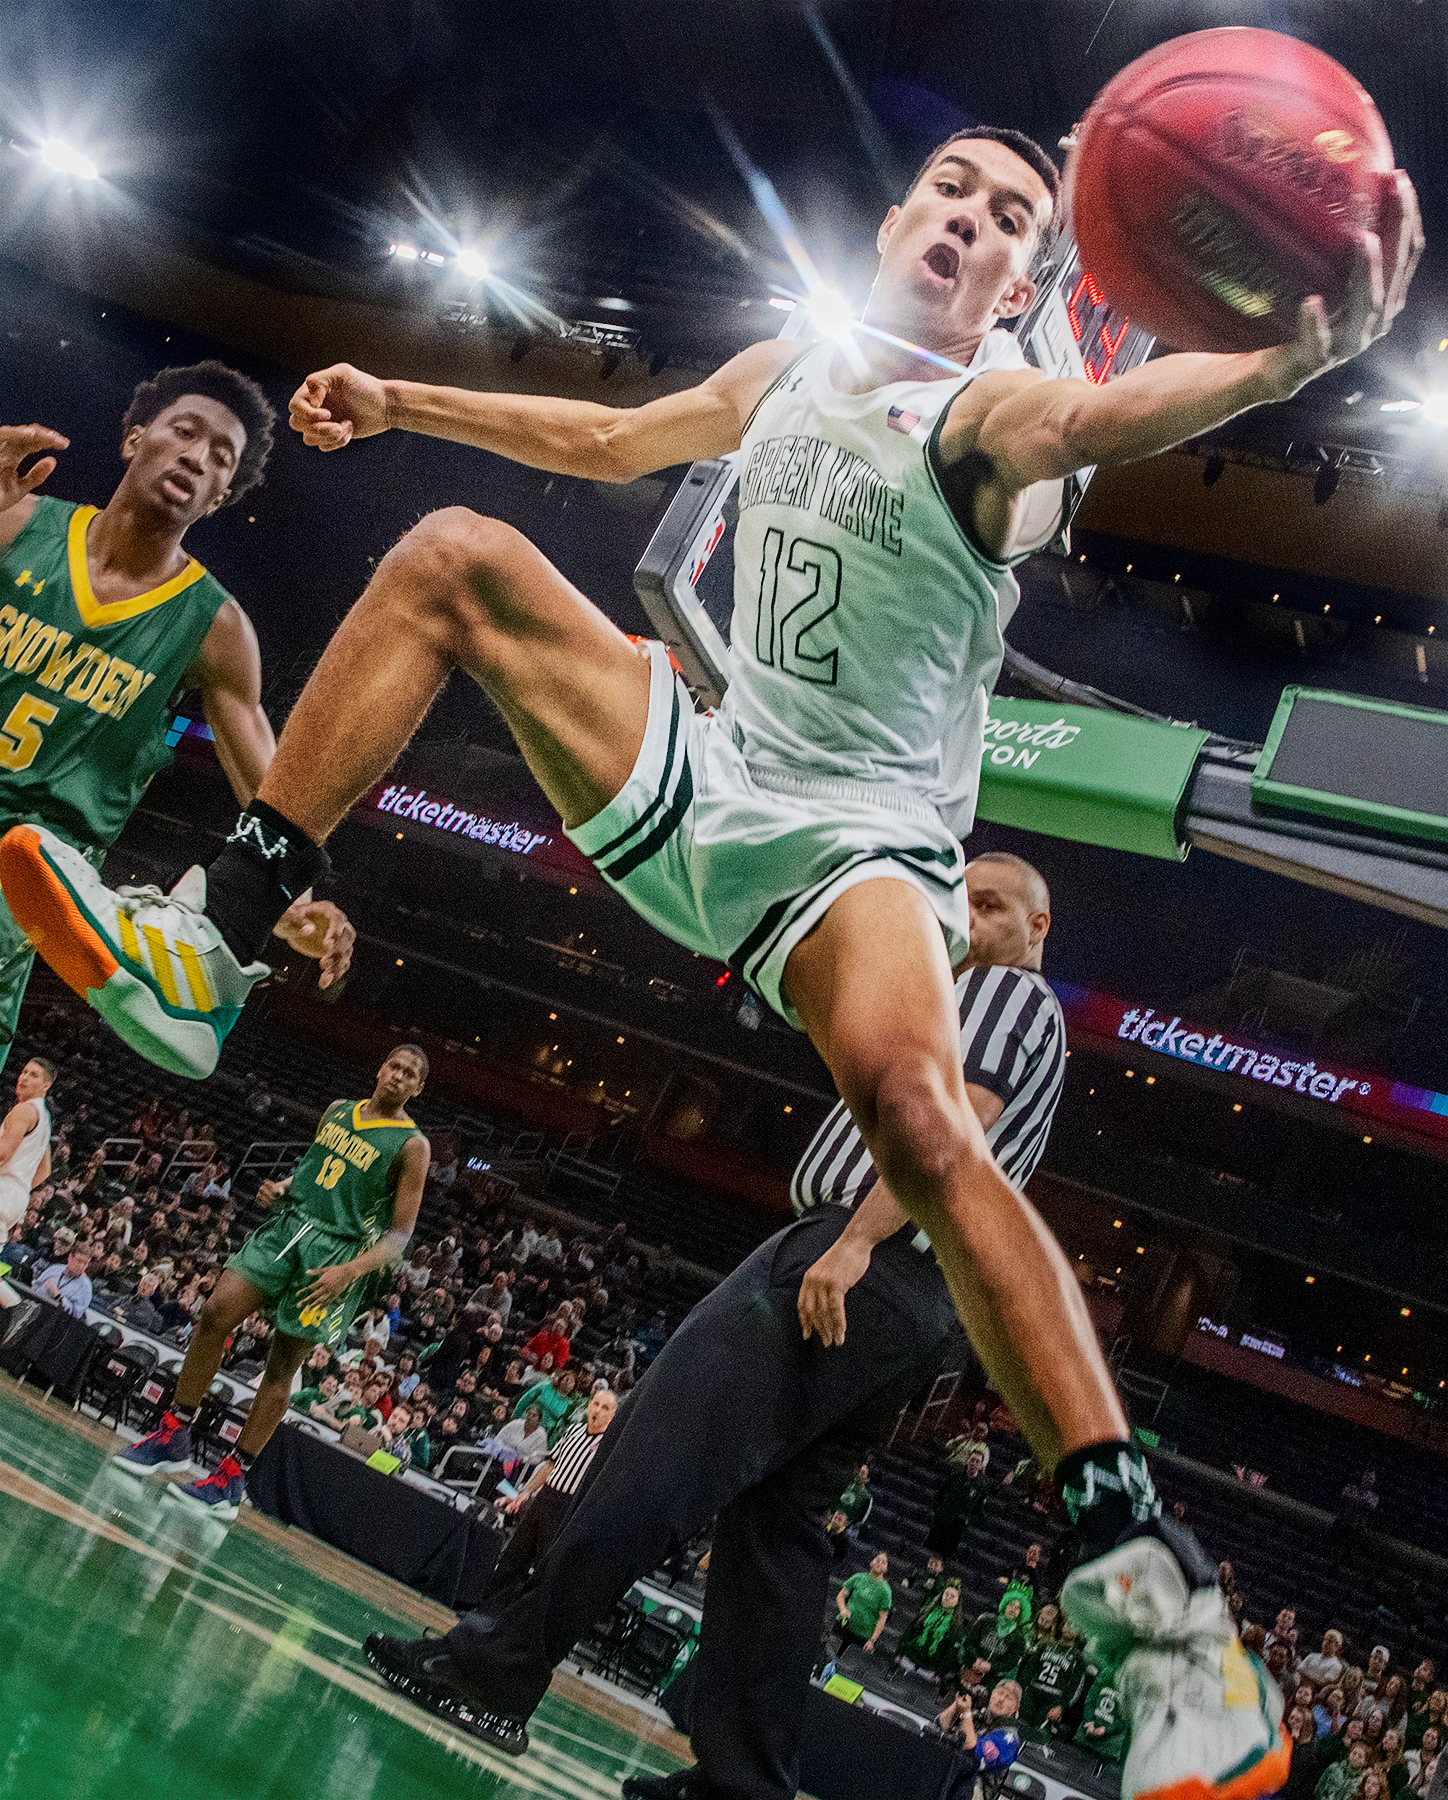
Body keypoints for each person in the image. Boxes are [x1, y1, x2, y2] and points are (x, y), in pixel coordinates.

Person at [80, 129, 1419, 1798]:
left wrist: (1297, 349)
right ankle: (209, 939)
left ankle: (1166, 1647)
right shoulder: (792, 361)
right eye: (953, 189)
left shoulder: (992, 416)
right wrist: (415, 402)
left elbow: (1107, 415)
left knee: (926, 1129)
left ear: (1023, 287)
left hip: (854, 848)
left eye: (1014, 220)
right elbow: (621, 431)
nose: (974, 221)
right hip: (710, 767)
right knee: (448, 557)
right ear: (891, 216)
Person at [363, 850, 1068, 1787]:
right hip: (915, 1301)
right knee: (778, 1536)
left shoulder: (1006, 998)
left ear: (1037, 928)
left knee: (658, 1447)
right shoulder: (965, 998)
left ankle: (495, 1667)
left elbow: (952, 1128)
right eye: (960, 903)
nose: (968, 922)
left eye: (990, 906)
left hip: (862, 1253)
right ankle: (742, 1782)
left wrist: (855, 1240)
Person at [0, 365, 351, 1075]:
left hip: (30, 871)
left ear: (221, 497)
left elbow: (271, 785)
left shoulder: (216, 627)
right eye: (184, 432)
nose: (197, 456)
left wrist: (293, 897)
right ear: (136, 439)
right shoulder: (16, 521)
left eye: (220, 457)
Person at [111, 1046, 429, 1517]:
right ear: (380, 1068)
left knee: (282, 1365)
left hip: (336, 1255)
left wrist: (350, 1271)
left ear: (417, 1089)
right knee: (216, 1311)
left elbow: (401, 1235)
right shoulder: (339, 1110)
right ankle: (173, 1430)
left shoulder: (412, 1145)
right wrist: (283, 1186)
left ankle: (232, 1478)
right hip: (290, 1227)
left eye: (410, 1075)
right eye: (394, 1067)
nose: (398, 1077)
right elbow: (314, 1171)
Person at [486, 1388, 618, 1604]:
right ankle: (487, 1609)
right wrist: (526, 1492)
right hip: (545, 1497)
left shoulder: (609, 1447)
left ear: (612, 1416)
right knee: (514, 1556)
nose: (598, 1410)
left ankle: (518, 1622)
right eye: (596, 1404)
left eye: (605, 1408)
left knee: (543, 1569)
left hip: (567, 1508)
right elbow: (550, 1464)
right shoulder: (573, 1430)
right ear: (588, 1406)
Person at [0, 1056, 54, 1234]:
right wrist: (17, 1188)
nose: (24, 1078)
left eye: (34, 1075)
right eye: (24, 1072)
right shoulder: (45, 1119)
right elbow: (45, 1170)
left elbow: (3, 1153)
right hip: (17, 1198)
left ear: (45, 1086)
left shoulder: (24, 1110)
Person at [832, 1552, 892, 1658]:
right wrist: (843, 1609)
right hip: (844, 1625)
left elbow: (882, 1619)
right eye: (878, 1560)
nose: (879, 1564)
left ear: (886, 1568)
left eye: (883, 1562)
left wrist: (872, 1640)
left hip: (862, 1635)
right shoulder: (858, 1577)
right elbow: (841, 1596)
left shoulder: (885, 1591)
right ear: (871, 1562)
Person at [34, 1238, 94, 1317]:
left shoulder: (85, 1287)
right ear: (70, 1258)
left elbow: (76, 1314)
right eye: (79, 1261)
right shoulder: (55, 1268)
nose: (81, 1266)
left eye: (85, 1263)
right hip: (35, 1306)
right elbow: (35, 1285)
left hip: (55, 1319)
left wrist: (58, 1296)